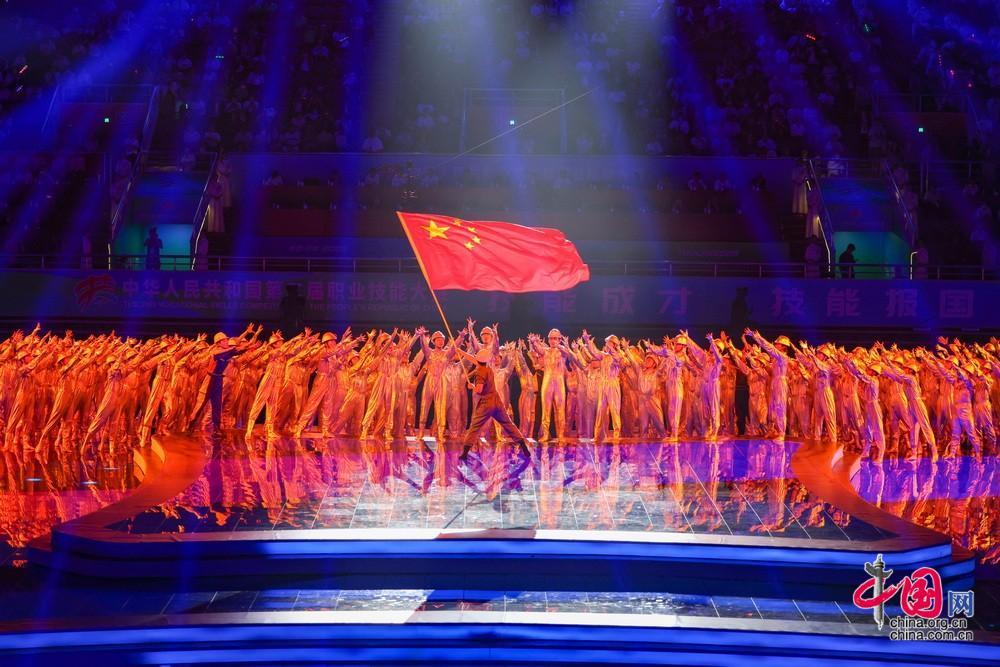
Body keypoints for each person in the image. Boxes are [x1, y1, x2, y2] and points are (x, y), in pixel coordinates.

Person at [458, 348, 530, 461]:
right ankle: (523, 445)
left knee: (474, 428)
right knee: (509, 424)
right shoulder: (489, 368)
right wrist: (461, 352)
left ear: (478, 360)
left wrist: (472, 387)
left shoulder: (480, 372)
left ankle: (464, 453)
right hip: (497, 402)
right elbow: (475, 360)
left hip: (486, 404)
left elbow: (479, 390)